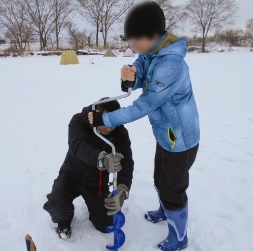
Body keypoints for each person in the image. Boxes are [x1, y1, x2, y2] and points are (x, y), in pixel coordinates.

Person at [88, 2, 199, 251]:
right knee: (160, 178)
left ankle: (179, 237)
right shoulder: (151, 52)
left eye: (135, 41)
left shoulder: (172, 65)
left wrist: (106, 120)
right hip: (166, 135)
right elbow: (140, 72)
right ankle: (164, 209)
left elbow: (144, 105)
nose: (132, 46)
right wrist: (130, 76)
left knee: (173, 187)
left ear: (153, 35)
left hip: (180, 139)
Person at [44, 99, 134, 239]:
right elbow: (78, 146)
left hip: (96, 183)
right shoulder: (79, 121)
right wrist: (103, 159)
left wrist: (122, 190)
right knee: (56, 203)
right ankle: (64, 221)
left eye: (113, 123)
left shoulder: (120, 133)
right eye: (104, 122)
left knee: (107, 224)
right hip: (71, 175)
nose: (109, 128)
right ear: (96, 115)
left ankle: (98, 211)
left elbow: (126, 162)